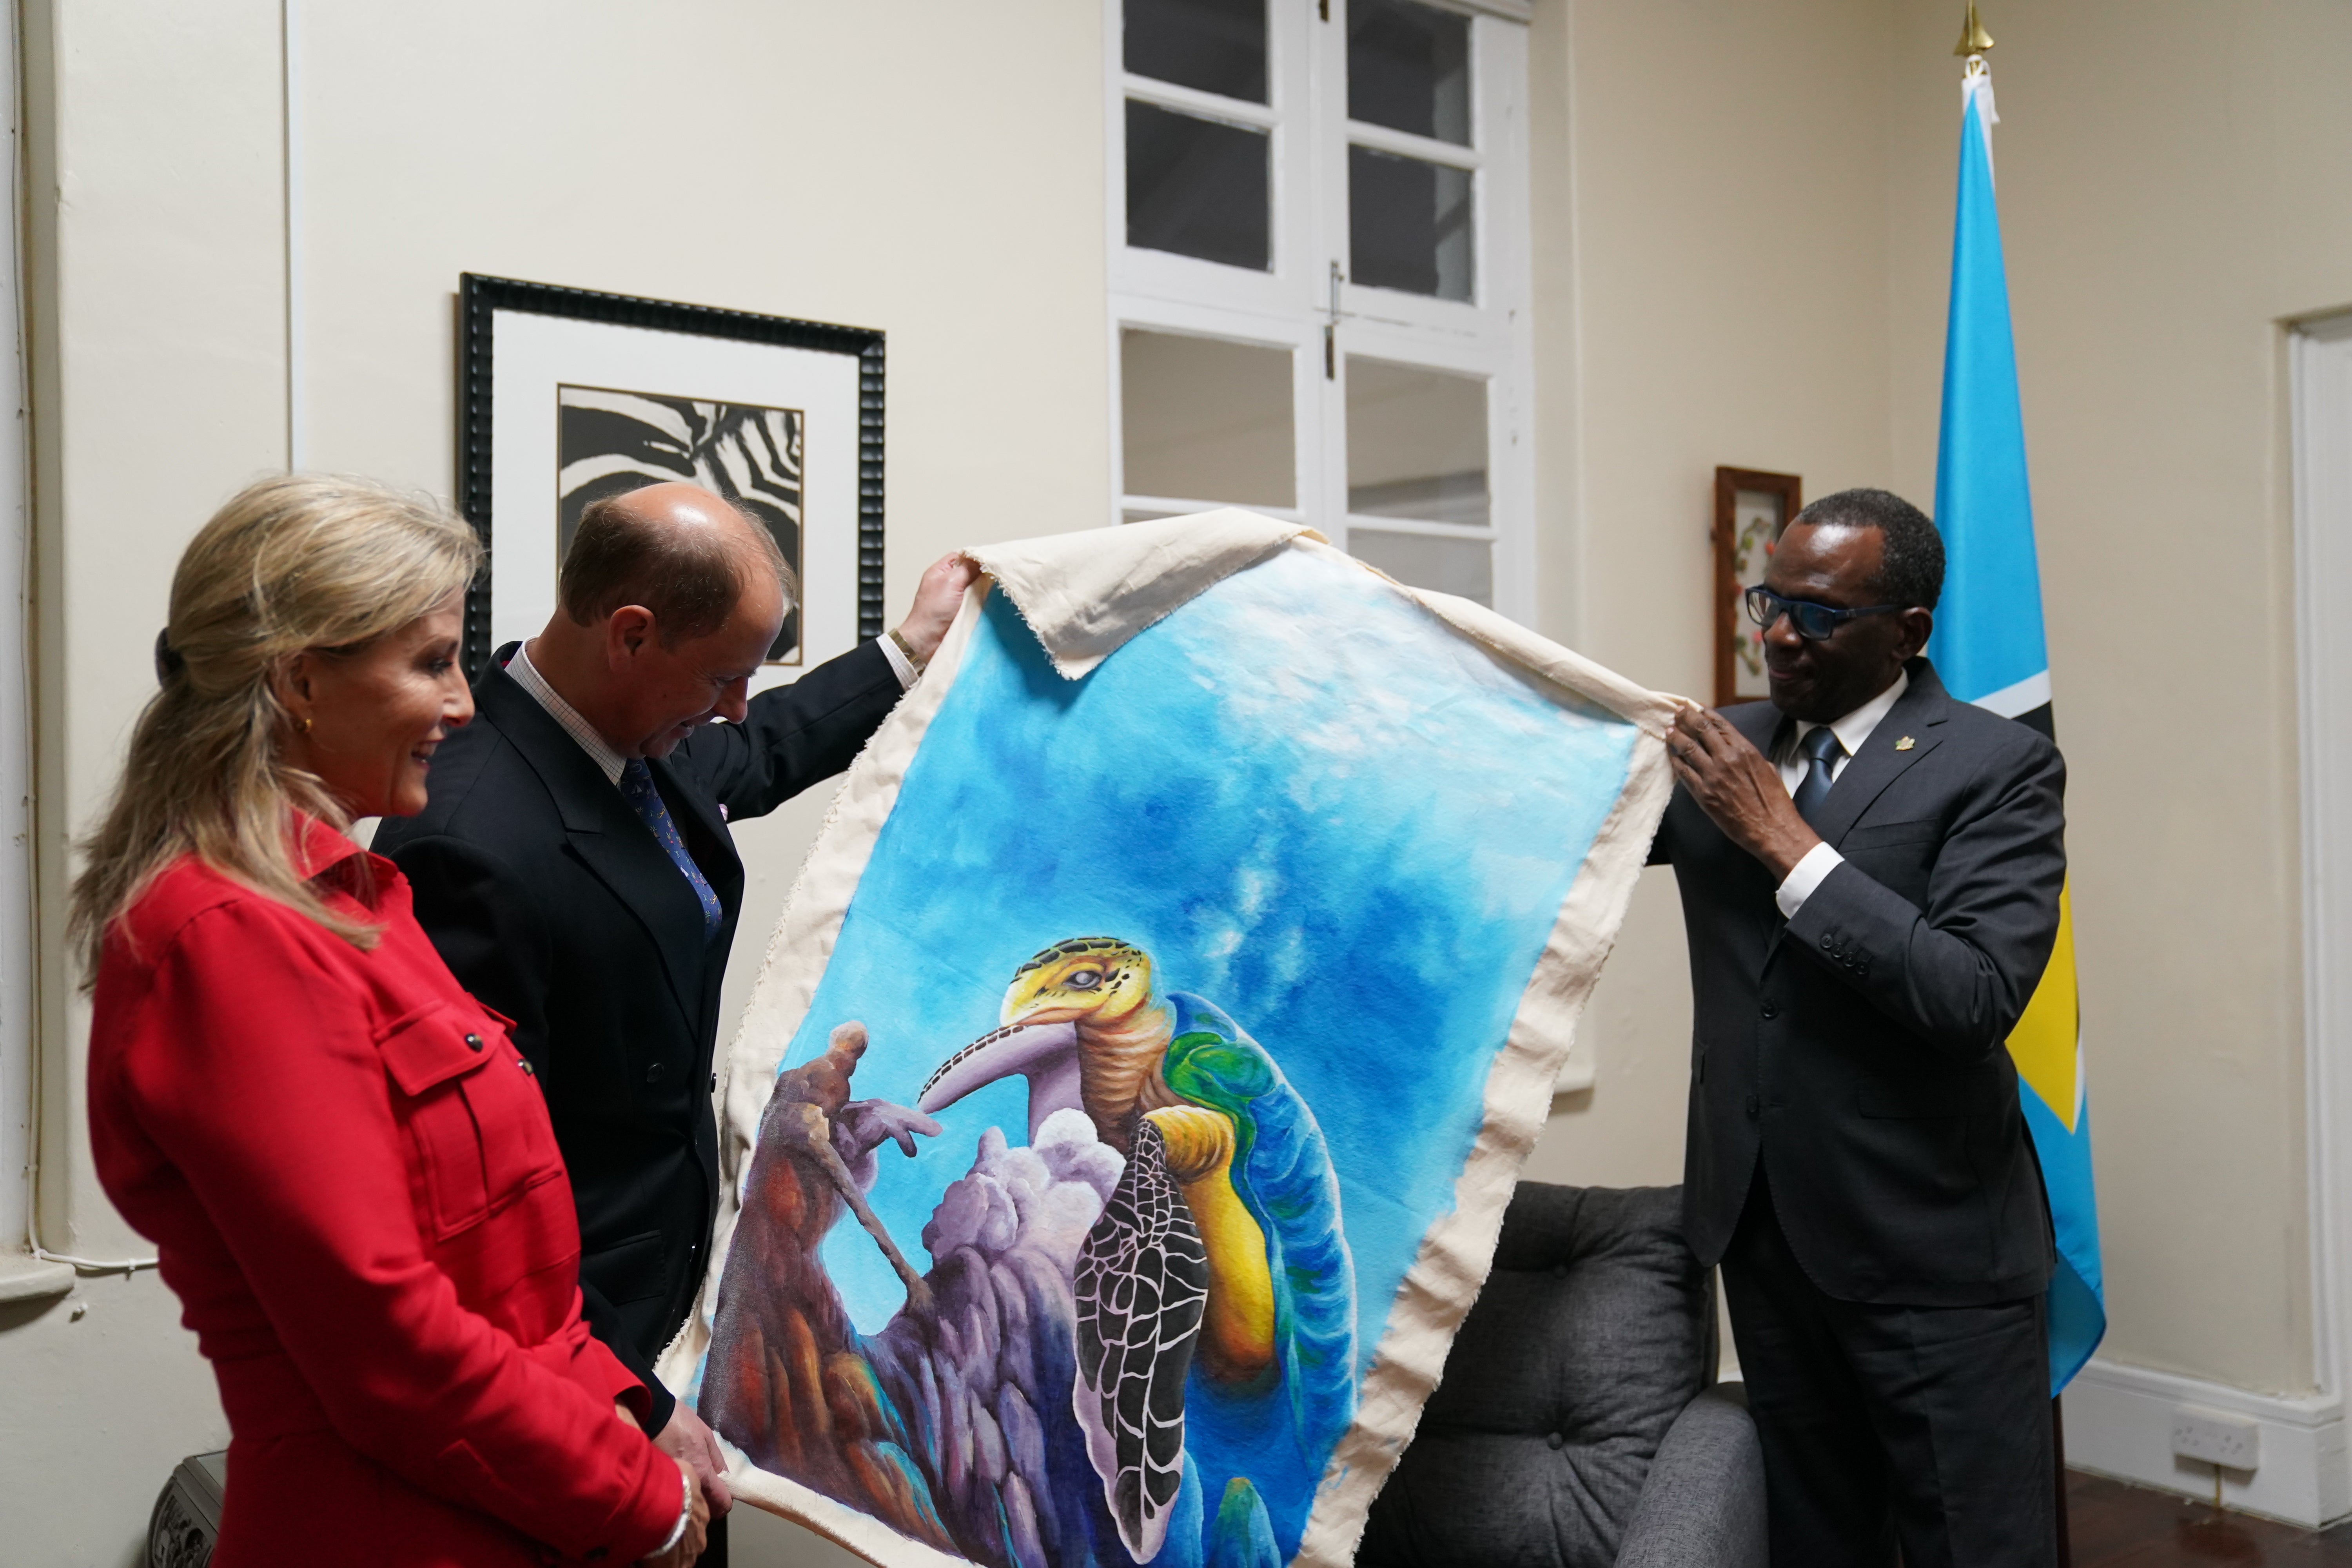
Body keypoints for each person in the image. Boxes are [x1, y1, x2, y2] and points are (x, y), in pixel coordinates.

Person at [79, 475, 708, 1566]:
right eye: (430, 665)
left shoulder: (359, 898)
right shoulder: (225, 936)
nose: (464, 707)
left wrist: (629, 1404)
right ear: (301, 681)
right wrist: (634, 1500)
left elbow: (508, 1279)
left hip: (508, 1503)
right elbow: (386, 1346)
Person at [374, 482, 975, 1557]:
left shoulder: (623, 732)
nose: (738, 705)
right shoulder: (470, 842)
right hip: (573, 1341)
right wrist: (622, 1400)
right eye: (723, 676)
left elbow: (760, 752)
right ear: (632, 635)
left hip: (664, 1304)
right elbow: (475, 1193)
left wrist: (906, 650)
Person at [1650, 488, 2067, 1567]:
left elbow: (1971, 996)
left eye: (1821, 616)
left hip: (1931, 1246)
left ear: (1908, 632)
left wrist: (1785, 840)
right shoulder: (1723, 745)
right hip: (1763, 1231)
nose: (1782, 636)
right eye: (1769, 603)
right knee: (1813, 1537)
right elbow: (1540, 828)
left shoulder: (1996, 765)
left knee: (1971, 1544)